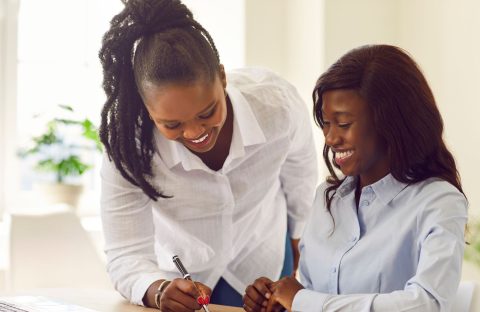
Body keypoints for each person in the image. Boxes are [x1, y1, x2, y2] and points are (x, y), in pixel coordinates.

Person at [98, 0, 318, 311]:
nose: (193, 132)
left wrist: (304, 267)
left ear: (222, 77)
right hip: (181, 279)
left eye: (207, 111)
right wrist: (158, 291)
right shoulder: (128, 147)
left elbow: (301, 185)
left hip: (263, 263)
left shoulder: (277, 107)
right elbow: (125, 253)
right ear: (148, 109)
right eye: (171, 124)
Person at [243, 44, 468, 312]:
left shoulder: (439, 202)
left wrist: (303, 301)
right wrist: (278, 299)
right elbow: (312, 296)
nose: (330, 138)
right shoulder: (326, 198)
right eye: (326, 122)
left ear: (391, 121)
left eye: (344, 123)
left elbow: (426, 303)